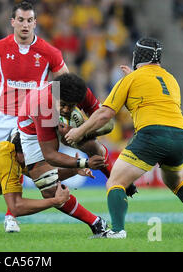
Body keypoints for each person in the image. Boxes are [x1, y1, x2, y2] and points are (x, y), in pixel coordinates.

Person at [64, 37, 183, 238]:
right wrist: (135, 80)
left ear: (137, 56)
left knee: (115, 182)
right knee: (175, 181)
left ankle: (118, 230)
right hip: (180, 136)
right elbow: (154, 100)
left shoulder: (131, 79)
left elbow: (105, 114)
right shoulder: (171, 79)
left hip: (152, 134)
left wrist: (78, 132)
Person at [0, 0, 69, 233]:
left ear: (35, 23)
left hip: (31, 120)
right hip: (1, 115)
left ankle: (11, 216)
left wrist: (61, 114)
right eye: (21, 20)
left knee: (18, 165)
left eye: (29, 20)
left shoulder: (49, 52)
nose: (25, 25)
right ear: (12, 22)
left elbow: (67, 85)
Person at [16, 72, 117, 237]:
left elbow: (106, 121)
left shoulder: (82, 92)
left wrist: (82, 130)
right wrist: (84, 163)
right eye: (63, 104)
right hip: (32, 131)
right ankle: (96, 223)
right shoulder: (43, 105)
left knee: (91, 145)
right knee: (49, 189)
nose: (66, 109)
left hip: (57, 121)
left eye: (71, 106)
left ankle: (115, 180)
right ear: (56, 96)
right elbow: (50, 154)